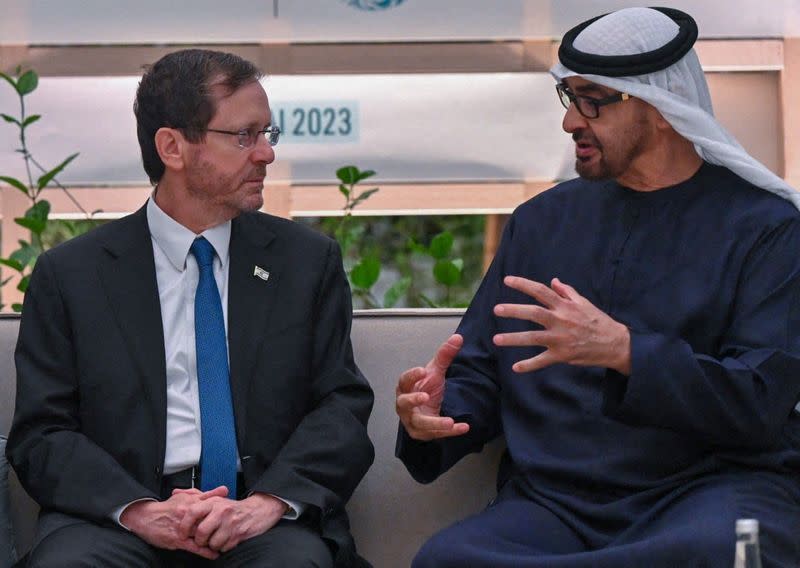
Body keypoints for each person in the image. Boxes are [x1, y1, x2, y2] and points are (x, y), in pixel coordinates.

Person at [395, 7, 800, 567]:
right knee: (448, 559)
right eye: (570, 97)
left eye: (594, 101)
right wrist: (437, 412)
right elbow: (484, 368)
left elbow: (760, 401)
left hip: (707, 492)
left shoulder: (766, 228)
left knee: (726, 549)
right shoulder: (541, 223)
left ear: (660, 107)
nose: (570, 122)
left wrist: (627, 352)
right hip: (557, 505)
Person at [7, 49, 374, 567]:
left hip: (259, 520)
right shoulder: (73, 276)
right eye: (244, 136)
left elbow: (340, 409)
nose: (265, 154)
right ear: (173, 147)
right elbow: (42, 435)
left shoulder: (305, 263)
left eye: (267, 134)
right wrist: (137, 510)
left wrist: (267, 504)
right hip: (120, 523)